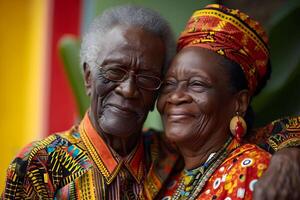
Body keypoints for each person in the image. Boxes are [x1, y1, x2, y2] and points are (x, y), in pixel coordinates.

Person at [1, 4, 300, 200]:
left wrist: (289, 157)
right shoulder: (39, 166)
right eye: (115, 71)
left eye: (147, 78)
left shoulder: (166, 155)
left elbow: (241, 140)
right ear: (89, 76)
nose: (129, 90)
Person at [157, 4, 300, 200]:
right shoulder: (166, 177)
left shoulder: (252, 170)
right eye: (169, 84)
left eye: (197, 84)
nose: (175, 96)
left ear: (239, 102)